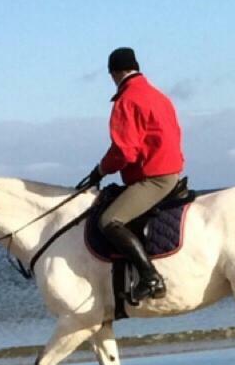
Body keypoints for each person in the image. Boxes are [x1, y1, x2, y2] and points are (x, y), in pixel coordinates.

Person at [77, 47, 185, 301]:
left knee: (109, 221)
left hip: (154, 178)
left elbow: (124, 151)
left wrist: (100, 170)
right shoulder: (158, 95)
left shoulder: (127, 100)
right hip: (170, 170)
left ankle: (151, 277)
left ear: (113, 73)